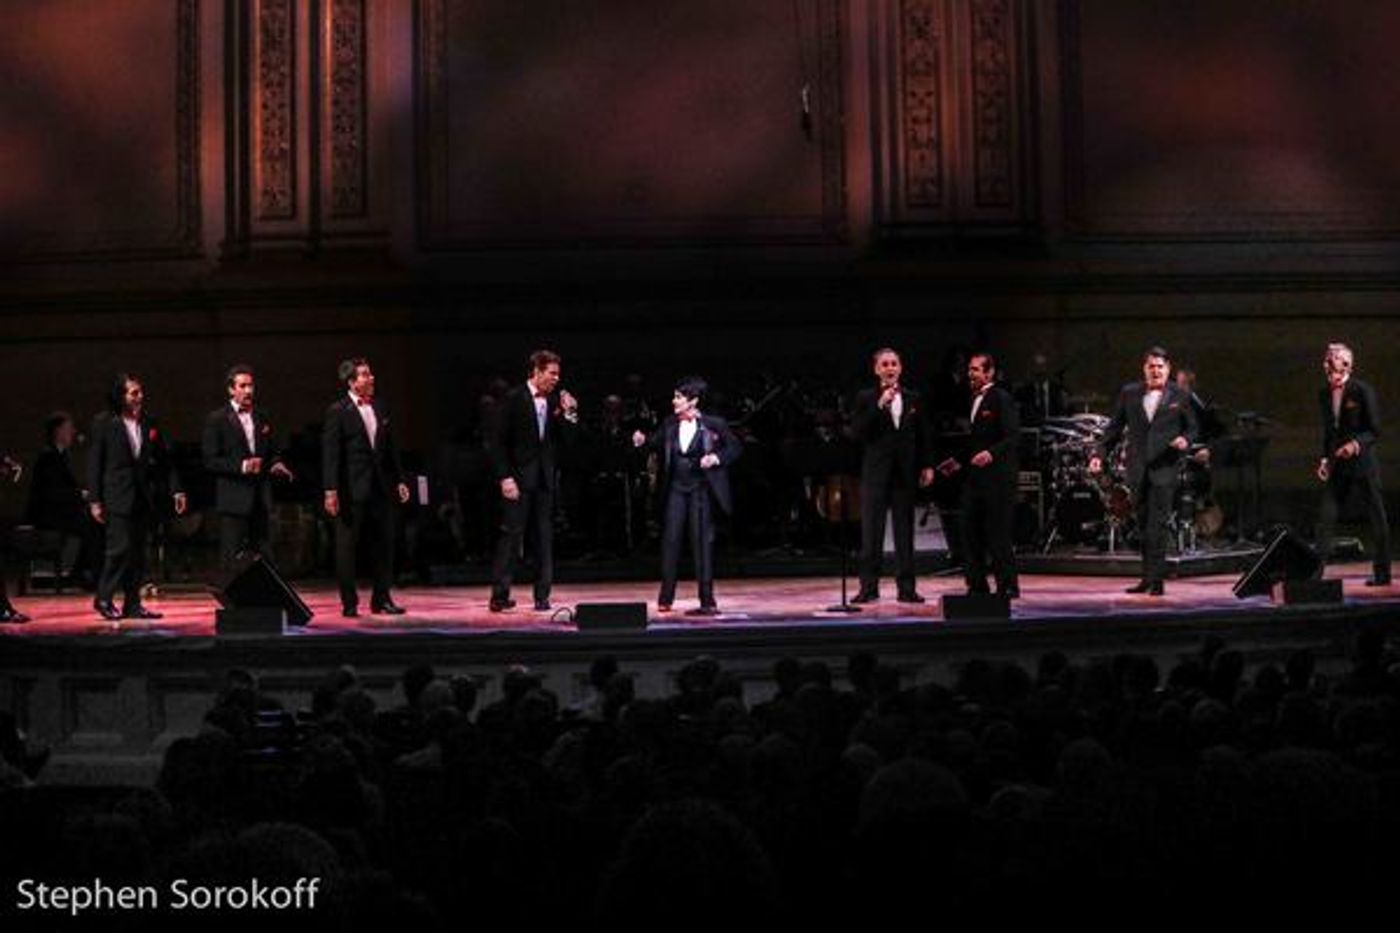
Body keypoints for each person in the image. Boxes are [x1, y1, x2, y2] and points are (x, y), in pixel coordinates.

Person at [1090, 347, 1197, 596]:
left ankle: (1157, 580)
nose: (1156, 371)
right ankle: (1147, 577)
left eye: (1160, 366)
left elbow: (1192, 428)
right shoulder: (1130, 393)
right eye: (1152, 366)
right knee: (1142, 526)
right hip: (1137, 470)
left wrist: (1185, 440)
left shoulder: (1179, 395)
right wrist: (1098, 454)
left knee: (1157, 526)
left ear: (1168, 369)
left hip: (1165, 468)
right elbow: (1113, 430)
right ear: (1144, 369)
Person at [633, 377, 742, 615]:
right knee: (670, 541)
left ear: (693, 401)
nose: (674, 401)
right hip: (676, 489)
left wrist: (716, 458)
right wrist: (642, 442)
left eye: (679, 397)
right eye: (674, 396)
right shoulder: (670, 423)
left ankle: (706, 599)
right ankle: (666, 597)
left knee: (701, 542)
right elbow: (655, 443)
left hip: (701, 489)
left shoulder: (714, 424)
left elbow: (734, 447)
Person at [87, 374, 187, 620]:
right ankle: (103, 598)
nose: (139, 397)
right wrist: (95, 500)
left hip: (143, 496)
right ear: (121, 396)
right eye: (133, 393)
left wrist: (177, 489)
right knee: (118, 549)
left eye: (140, 392)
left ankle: (133, 604)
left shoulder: (149, 422)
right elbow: (94, 463)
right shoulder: (104, 422)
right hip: (117, 495)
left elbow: (165, 460)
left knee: (139, 553)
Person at [487, 349, 579, 612]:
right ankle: (500, 594)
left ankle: (542, 595)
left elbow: (568, 442)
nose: (556, 379)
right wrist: (505, 476)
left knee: (544, 538)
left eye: (557, 374)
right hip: (517, 479)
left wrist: (570, 413)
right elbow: (497, 443)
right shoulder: (513, 399)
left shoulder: (553, 403)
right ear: (537, 372)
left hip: (544, 481)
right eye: (551, 373)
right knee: (512, 536)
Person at [322, 358, 410, 617]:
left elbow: (390, 448)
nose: (371, 378)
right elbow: (331, 453)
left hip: (380, 487)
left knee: (384, 543)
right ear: (351, 382)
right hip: (352, 489)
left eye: (370, 374)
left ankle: (381, 598)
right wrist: (330, 490)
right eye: (364, 375)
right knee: (347, 547)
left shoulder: (380, 406)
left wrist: (400, 480)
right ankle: (349, 602)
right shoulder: (338, 410)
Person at [850, 348, 934, 604]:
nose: (890, 368)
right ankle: (868, 588)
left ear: (900, 368)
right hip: (875, 472)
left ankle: (907, 588)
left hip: (904, 473)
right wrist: (879, 405)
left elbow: (924, 435)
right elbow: (858, 432)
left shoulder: (913, 398)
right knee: (871, 532)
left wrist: (927, 465)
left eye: (894, 363)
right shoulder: (866, 398)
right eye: (884, 364)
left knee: (904, 531)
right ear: (876, 369)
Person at [202, 364, 294, 570]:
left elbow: (272, 450)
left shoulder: (262, 416)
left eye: (251, 386)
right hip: (233, 498)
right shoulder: (217, 419)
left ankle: (266, 599)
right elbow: (209, 460)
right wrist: (242, 466)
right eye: (242, 386)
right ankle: (232, 602)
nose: (248, 391)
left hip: (260, 496)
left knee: (264, 554)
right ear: (231, 389)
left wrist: (276, 463)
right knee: (232, 556)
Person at [943, 353, 1020, 597]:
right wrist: (958, 461)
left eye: (976, 369)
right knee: (968, 530)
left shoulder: (1001, 398)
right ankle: (976, 584)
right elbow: (975, 440)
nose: (971, 373)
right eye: (970, 369)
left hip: (998, 479)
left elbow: (1012, 437)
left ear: (989, 373)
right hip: (975, 479)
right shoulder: (973, 399)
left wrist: (991, 453)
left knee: (997, 534)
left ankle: (1007, 585)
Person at [1315, 342, 1390, 586]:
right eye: (1326, 359)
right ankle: (1315, 574)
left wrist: (1355, 445)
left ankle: (1382, 574)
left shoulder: (1362, 390)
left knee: (1376, 516)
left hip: (1363, 465)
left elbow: (1374, 430)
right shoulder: (1324, 394)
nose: (1326, 363)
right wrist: (1326, 459)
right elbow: (1330, 432)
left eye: (1332, 359)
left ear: (1346, 364)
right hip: (1338, 465)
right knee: (1326, 516)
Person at [26, 411, 101, 585]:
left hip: (59, 511)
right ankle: (85, 574)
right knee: (93, 523)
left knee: (94, 521)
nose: (73, 432)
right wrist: (80, 495)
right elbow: (52, 492)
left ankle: (81, 572)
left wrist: (81, 495)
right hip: (46, 515)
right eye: (69, 428)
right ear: (58, 431)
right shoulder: (48, 456)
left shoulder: (60, 455)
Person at [1014, 350, 1068, 426]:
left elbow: (1064, 413)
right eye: (1036, 367)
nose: (1039, 371)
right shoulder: (1023, 392)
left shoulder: (1057, 390)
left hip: (1054, 430)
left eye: (1042, 366)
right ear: (1032, 369)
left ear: (1047, 368)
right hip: (1032, 431)